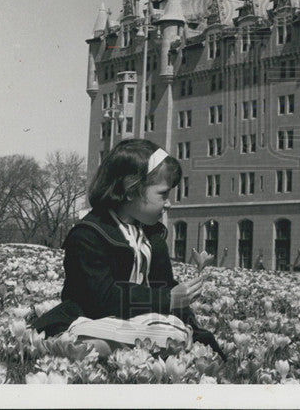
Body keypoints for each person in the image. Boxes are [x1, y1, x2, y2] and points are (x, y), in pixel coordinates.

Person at [33, 139, 224, 358]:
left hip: (142, 321)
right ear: (131, 190)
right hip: (93, 317)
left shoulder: (153, 236)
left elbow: (165, 288)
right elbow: (101, 298)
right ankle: (94, 348)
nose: (169, 203)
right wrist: (167, 299)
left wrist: (201, 335)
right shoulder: (89, 234)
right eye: (163, 194)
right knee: (88, 335)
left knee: (175, 333)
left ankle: (114, 350)